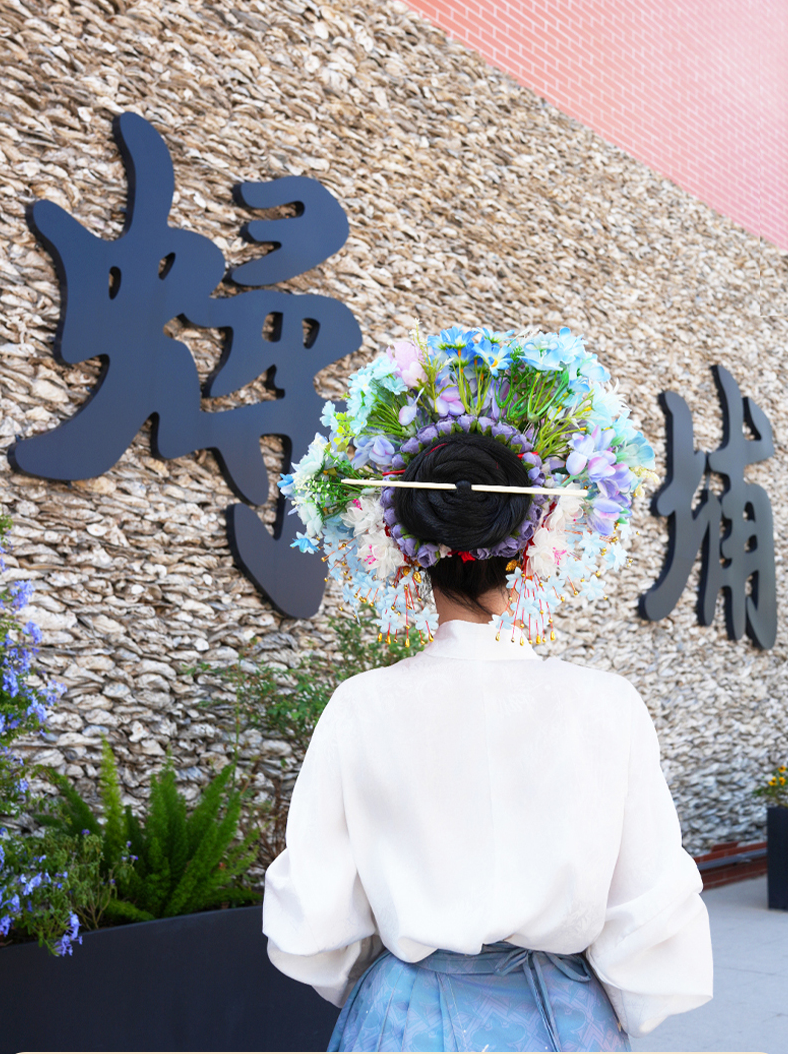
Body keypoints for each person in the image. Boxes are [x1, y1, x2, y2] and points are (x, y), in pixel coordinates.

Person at [263, 328, 713, 1052]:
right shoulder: (607, 705)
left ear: (409, 551)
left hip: (406, 1015)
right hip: (562, 1019)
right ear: (531, 545)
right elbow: (650, 910)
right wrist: (623, 1011)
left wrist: (384, 984)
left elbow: (313, 916)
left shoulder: (363, 705)